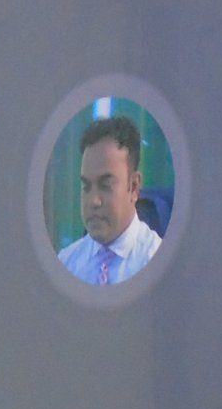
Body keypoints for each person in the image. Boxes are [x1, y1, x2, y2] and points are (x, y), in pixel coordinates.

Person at [57, 116, 163, 286]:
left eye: (105, 185)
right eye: (86, 186)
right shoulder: (66, 264)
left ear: (134, 187)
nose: (93, 201)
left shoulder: (158, 265)